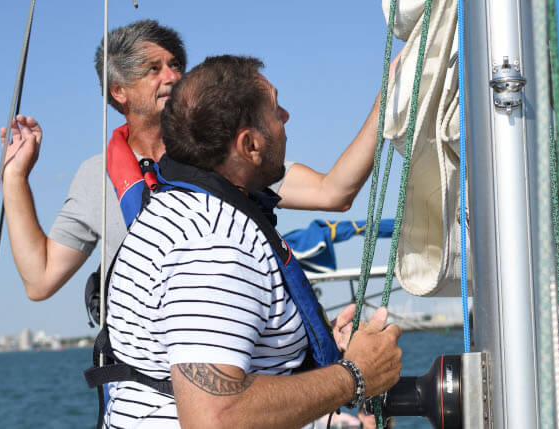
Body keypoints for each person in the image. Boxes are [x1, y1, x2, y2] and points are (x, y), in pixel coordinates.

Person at [104, 54, 402, 427]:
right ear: (249, 145)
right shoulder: (213, 241)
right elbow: (213, 417)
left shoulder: (180, 209)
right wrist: (356, 375)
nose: (286, 117)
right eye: (276, 110)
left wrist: (307, 352)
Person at [1, 19, 383, 304]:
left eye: (175, 65)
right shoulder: (93, 176)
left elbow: (334, 192)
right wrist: (16, 176)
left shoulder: (218, 148)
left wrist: (386, 107)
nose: (173, 76)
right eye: (154, 69)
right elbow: (41, 279)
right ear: (119, 91)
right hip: (147, 391)